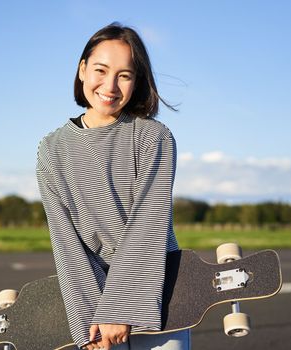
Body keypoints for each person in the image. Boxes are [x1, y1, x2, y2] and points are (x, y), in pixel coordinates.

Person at [36, 23, 190, 350]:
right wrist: (88, 323)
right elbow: (66, 241)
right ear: (82, 70)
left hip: (158, 290)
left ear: (137, 82)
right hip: (97, 307)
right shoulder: (52, 149)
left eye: (124, 75)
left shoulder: (153, 136)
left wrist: (120, 306)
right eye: (101, 70)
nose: (110, 85)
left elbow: (149, 223)